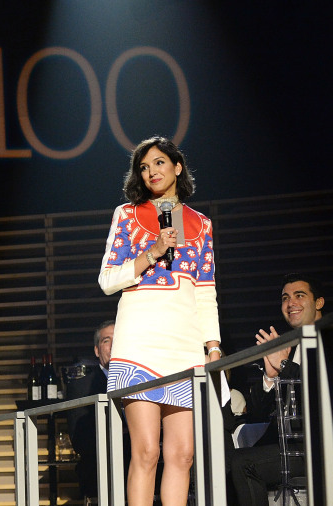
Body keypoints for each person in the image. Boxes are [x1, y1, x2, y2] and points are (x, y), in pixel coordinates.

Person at [98, 136, 222, 506]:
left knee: (183, 455)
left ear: (177, 167)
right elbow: (107, 281)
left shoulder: (201, 224)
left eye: (159, 163)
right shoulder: (127, 215)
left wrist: (212, 345)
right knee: (147, 451)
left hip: (185, 350)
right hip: (139, 346)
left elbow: (204, 290)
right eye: (143, 166)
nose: (151, 171)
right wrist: (151, 252)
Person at [230, 273, 325, 506]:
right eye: (285, 297)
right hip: (287, 445)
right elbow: (260, 413)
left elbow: (319, 394)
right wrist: (270, 378)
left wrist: (285, 366)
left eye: (299, 295)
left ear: (319, 302)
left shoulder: (326, 340)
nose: (291, 303)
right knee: (225, 461)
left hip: (319, 446)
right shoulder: (288, 347)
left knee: (243, 464)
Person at [66, 320, 118, 499]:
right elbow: (80, 442)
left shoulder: (141, 381)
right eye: (106, 341)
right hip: (100, 465)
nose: (113, 345)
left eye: (118, 339)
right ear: (97, 350)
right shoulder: (80, 388)